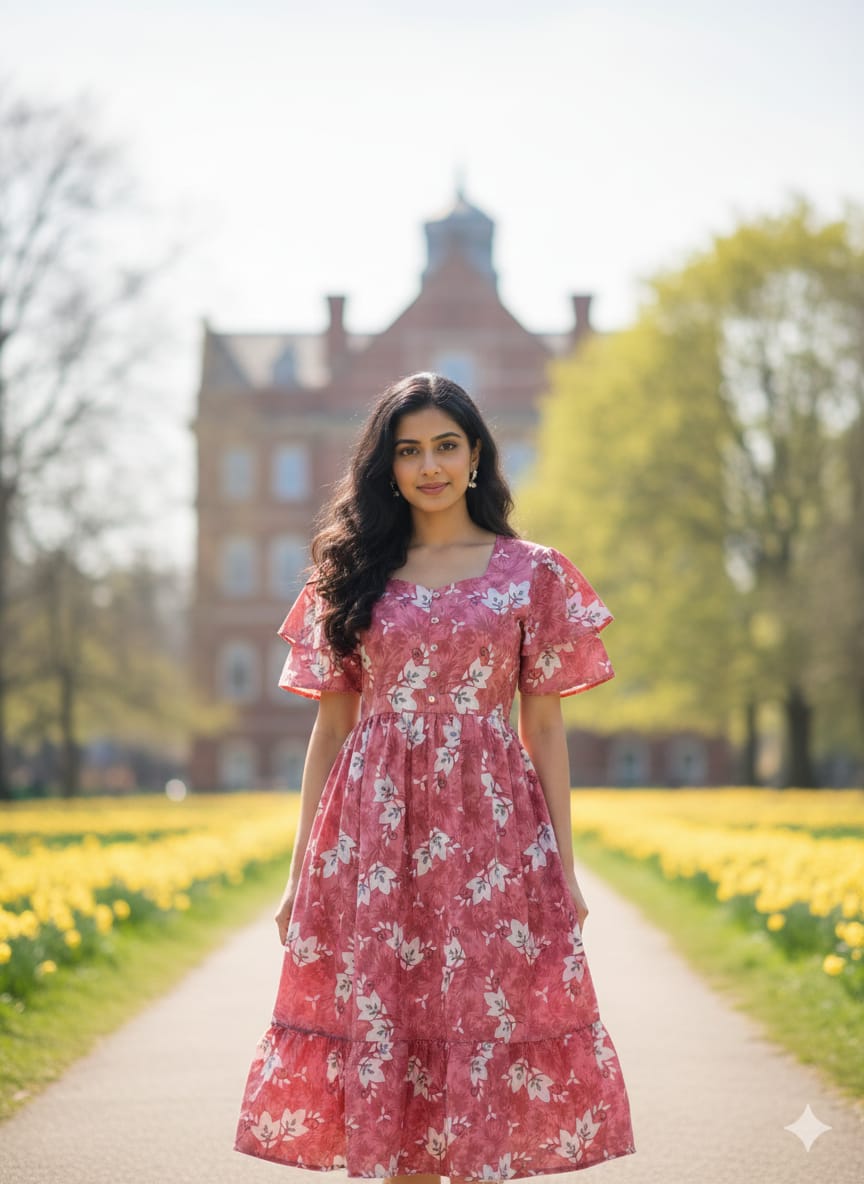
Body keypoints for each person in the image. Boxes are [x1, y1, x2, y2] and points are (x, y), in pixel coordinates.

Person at [234, 372, 636, 1181]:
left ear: (477, 455)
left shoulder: (534, 573)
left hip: (493, 840)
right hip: (374, 841)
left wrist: (563, 866)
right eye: (409, 449)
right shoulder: (349, 574)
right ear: (386, 465)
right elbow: (331, 729)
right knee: (389, 1038)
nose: (429, 466)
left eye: (446, 446)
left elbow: (545, 730)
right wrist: (299, 874)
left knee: (478, 1035)